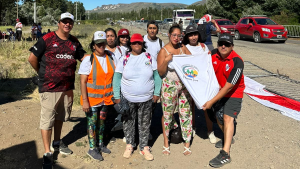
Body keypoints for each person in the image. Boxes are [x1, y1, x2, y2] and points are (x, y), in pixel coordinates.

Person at [27, 12, 86, 168]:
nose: (67, 24)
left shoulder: (74, 42)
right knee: (47, 120)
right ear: (59, 23)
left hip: (67, 88)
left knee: (61, 116)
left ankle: (57, 143)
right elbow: (32, 58)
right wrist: (41, 73)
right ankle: (47, 153)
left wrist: (102, 53)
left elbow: (84, 57)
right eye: (64, 21)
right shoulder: (46, 39)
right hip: (49, 87)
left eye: (70, 22)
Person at [113, 33, 162, 161]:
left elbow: (157, 76)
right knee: (128, 122)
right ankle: (130, 145)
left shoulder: (149, 57)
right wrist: (117, 96)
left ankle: (144, 147)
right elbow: (117, 78)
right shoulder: (125, 58)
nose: (137, 45)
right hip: (128, 98)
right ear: (130, 44)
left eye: (139, 43)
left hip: (146, 98)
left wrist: (157, 93)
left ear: (142, 44)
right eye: (134, 43)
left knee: (145, 123)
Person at [202, 33, 245, 168]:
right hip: (218, 91)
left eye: (227, 44)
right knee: (218, 117)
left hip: (233, 93)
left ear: (232, 46)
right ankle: (228, 136)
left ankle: (225, 154)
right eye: (221, 43)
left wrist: (211, 101)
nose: (223, 46)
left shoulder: (237, 61)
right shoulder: (212, 54)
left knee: (227, 117)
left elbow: (228, 87)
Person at [157, 24, 193, 156]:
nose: (176, 38)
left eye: (179, 35)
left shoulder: (183, 48)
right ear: (169, 35)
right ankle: (166, 142)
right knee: (168, 114)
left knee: (185, 113)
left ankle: (187, 142)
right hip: (169, 85)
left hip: (184, 86)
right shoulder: (163, 51)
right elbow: (160, 71)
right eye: (174, 35)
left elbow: (193, 62)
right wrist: (166, 61)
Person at [78, 31, 114, 161]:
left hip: (106, 99)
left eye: (103, 43)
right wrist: (85, 101)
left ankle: (100, 144)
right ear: (93, 45)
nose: (101, 46)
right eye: (98, 44)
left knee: (102, 123)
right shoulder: (88, 59)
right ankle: (92, 148)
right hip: (92, 100)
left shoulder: (111, 57)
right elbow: (82, 81)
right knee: (92, 124)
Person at [182, 25, 217, 144]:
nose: (193, 37)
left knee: (206, 107)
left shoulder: (203, 47)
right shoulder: (184, 48)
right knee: (191, 107)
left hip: (203, 81)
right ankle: (192, 127)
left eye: (195, 34)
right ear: (187, 36)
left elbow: (208, 62)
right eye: (190, 35)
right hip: (191, 81)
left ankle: (210, 131)